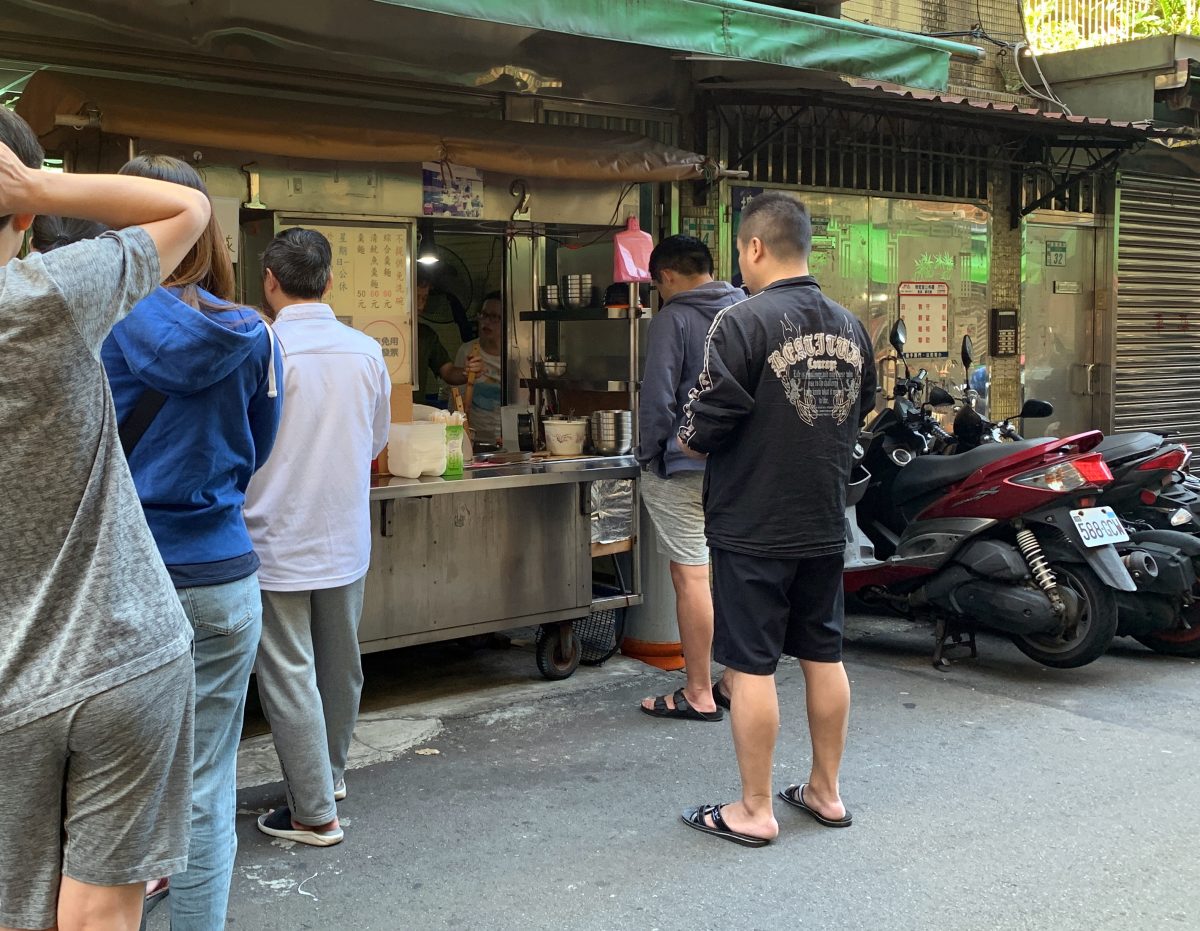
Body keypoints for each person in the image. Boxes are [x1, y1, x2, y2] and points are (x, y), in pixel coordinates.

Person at [0, 108, 210, 931]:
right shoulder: (51, 294)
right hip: (127, 654)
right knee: (98, 918)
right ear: (21, 211)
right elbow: (187, 212)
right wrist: (42, 184)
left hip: (9, 682)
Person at [99, 154, 284, 930]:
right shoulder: (257, 336)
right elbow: (261, 444)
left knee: (108, 793)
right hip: (222, 578)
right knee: (207, 785)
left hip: (123, 580)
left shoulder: (96, 323)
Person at [678, 192, 875, 847]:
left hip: (752, 523)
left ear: (755, 247)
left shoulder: (739, 323)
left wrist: (687, 439)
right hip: (824, 517)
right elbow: (858, 413)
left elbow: (704, 426)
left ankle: (755, 808)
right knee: (823, 652)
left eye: (741, 251)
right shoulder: (852, 326)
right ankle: (825, 788)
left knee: (753, 664)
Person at [244, 228, 391, 847]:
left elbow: (240, 447)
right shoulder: (365, 351)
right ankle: (328, 777)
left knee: (288, 672)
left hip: (274, 535)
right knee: (341, 663)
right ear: (330, 281)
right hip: (344, 535)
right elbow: (378, 440)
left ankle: (313, 812)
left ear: (269, 282)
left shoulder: (261, 350)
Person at [636, 236, 743, 723]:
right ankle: (736, 680)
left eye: (657, 284)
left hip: (684, 466)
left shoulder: (672, 318)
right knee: (735, 572)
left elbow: (657, 398)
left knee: (693, 576)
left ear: (668, 277)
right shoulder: (747, 310)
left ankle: (698, 692)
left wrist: (652, 455)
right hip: (737, 467)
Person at [414, 266, 470, 403]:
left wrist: (468, 372)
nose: (421, 306)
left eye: (424, 299)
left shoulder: (426, 335)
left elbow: (448, 372)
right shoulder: (379, 332)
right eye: (416, 298)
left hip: (413, 414)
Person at [454, 291, 504, 444]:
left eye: (495, 317)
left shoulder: (515, 355)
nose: (486, 322)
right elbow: (456, 400)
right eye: (484, 315)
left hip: (507, 438)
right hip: (475, 439)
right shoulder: (467, 351)